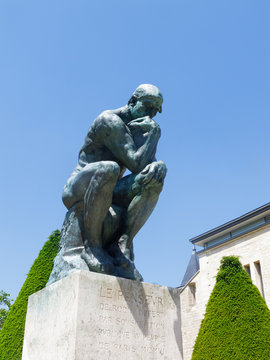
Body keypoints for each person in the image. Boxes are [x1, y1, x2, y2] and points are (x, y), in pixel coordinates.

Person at [62, 84, 167, 280]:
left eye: (155, 111)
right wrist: (153, 134)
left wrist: (154, 164)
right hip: (79, 186)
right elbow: (136, 163)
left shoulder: (139, 128)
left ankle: (123, 242)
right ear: (132, 102)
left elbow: (145, 169)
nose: (151, 115)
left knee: (157, 173)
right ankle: (91, 247)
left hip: (110, 188)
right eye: (147, 107)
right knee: (109, 168)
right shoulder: (109, 121)